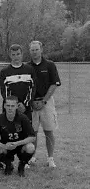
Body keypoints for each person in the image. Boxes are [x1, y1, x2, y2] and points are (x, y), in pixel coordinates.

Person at [28, 40, 61, 168]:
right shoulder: (27, 67)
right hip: (32, 104)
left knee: (49, 131)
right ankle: (32, 157)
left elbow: (54, 84)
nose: (34, 52)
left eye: (36, 49)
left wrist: (44, 101)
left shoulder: (50, 65)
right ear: (29, 51)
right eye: (32, 50)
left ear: (41, 50)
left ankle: (50, 158)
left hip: (46, 102)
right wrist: (31, 101)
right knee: (32, 132)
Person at [0, 96, 36, 177]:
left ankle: (21, 165)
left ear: (17, 106)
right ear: (4, 106)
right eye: (8, 106)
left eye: (12, 106)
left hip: (20, 145)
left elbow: (32, 137)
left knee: (30, 147)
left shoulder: (23, 118)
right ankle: (8, 165)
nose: (10, 108)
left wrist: (17, 143)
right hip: (6, 145)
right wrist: (3, 146)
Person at [0, 44, 36, 120]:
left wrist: (25, 104)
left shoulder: (30, 69)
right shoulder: (4, 72)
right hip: (10, 108)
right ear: (10, 55)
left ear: (22, 54)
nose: (16, 57)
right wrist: (14, 105)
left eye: (18, 54)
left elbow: (32, 89)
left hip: (25, 108)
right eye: (13, 55)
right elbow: (4, 91)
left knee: (26, 130)